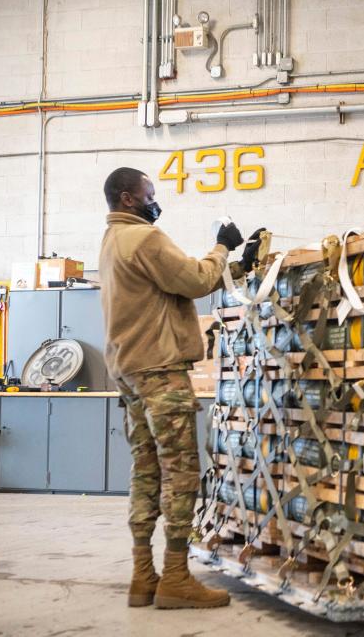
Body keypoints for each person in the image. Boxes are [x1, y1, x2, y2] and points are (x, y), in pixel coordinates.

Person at [98, 167, 263, 609]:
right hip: (160, 371)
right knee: (181, 473)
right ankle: (174, 577)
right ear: (129, 199)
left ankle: (142, 575)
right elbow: (193, 280)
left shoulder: (113, 240)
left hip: (129, 371)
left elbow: (172, 286)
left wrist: (233, 265)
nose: (156, 201)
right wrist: (223, 247)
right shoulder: (146, 238)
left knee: (146, 471)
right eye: (150, 194)